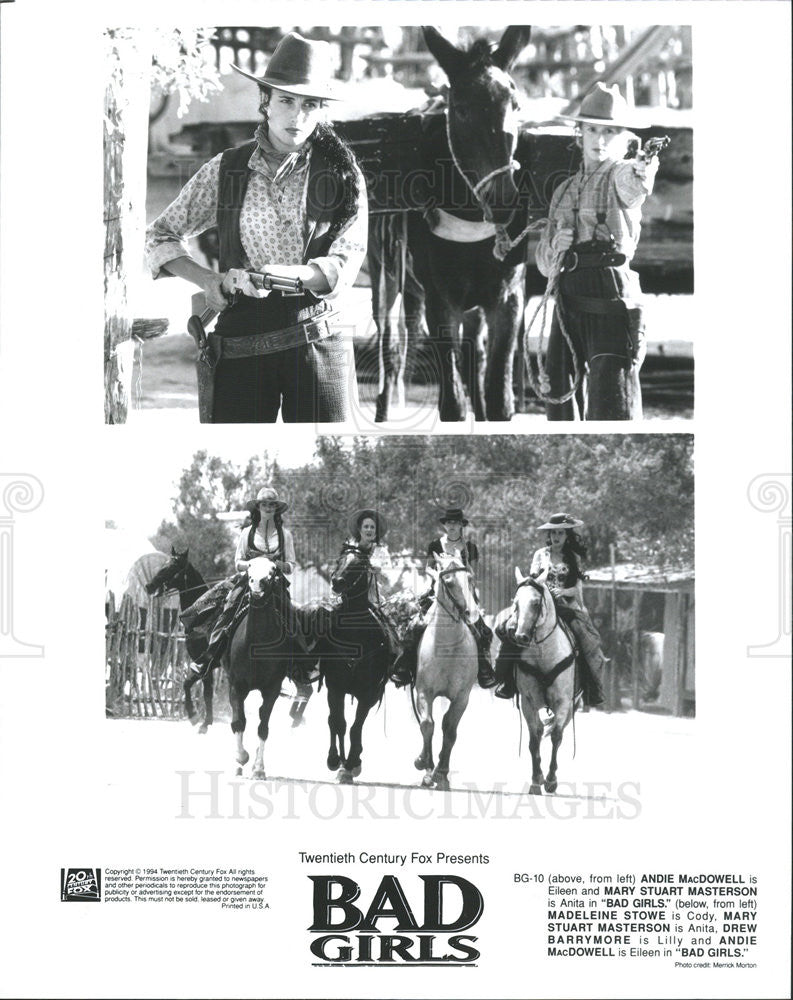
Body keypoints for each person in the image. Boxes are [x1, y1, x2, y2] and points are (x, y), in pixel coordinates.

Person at [144, 31, 368, 422]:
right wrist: (208, 280)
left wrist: (288, 276)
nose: (297, 116)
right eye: (286, 101)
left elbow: (346, 262)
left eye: (310, 104)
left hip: (315, 337)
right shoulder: (227, 169)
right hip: (241, 342)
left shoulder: (343, 174)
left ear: (322, 110)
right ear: (265, 100)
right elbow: (159, 236)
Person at [536, 83, 659, 420]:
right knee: (559, 398)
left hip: (610, 296)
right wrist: (554, 248)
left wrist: (644, 169)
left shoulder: (621, 174)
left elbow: (635, 185)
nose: (600, 139)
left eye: (610, 131)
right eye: (592, 129)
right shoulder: (563, 191)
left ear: (623, 138)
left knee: (610, 402)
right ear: (579, 134)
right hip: (568, 298)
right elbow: (545, 267)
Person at [494, 512, 605, 705]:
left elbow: (578, 590)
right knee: (508, 630)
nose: (556, 537)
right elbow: (532, 581)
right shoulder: (540, 554)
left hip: (564, 607)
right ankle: (506, 681)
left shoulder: (574, 558)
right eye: (554, 533)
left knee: (588, 642)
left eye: (561, 533)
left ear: (567, 535)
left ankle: (591, 688)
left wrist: (562, 592)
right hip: (539, 604)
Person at [198, 487, 309, 678]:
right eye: (264, 504)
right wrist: (251, 564)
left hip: (274, 582)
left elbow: (292, 565)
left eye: (272, 505)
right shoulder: (247, 533)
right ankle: (210, 655)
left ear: (276, 509)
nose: (268, 508)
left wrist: (279, 565)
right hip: (248, 579)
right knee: (229, 607)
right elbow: (237, 563)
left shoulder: (285, 535)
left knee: (291, 616)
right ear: (258, 508)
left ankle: (300, 666)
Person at [390, 508, 497, 689]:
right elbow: (428, 569)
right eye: (449, 523)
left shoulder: (470, 548)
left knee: (484, 631)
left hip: (463, 593)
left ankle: (484, 668)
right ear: (445, 525)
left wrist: (461, 572)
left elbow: (473, 573)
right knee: (415, 626)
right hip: (438, 593)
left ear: (461, 525)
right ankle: (405, 666)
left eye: (456, 523)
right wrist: (440, 575)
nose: (452, 526)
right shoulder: (435, 545)